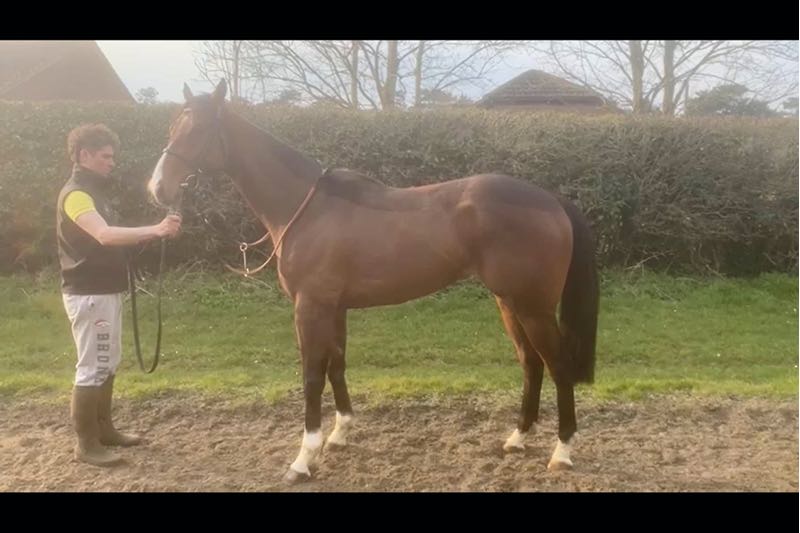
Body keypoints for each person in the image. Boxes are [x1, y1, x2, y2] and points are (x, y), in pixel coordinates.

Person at [56, 123, 181, 466]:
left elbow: (111, 240)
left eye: (112, 157)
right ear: (84, 155)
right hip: (90, 293)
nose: (112, 162)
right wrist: (156, 229)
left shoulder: (95, 193)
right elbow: (105, 235)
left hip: (105, 290)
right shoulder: (77, 195)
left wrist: (152, 235)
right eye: (105, 156)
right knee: (92, 366)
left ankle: (105, 430)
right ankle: (87, 445)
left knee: (108, 361)